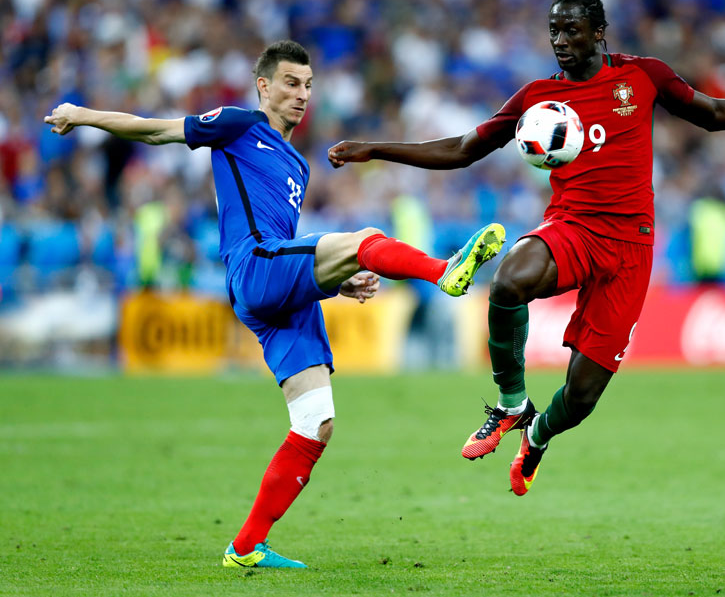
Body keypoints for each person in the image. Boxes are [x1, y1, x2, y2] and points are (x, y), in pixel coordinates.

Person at [328, 0, 725, 497]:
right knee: (509, 279)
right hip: (573, 228)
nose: (559, 40)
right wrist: (374, 148)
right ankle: (511, 404)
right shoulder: (538, 97)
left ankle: (537, 436)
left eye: (571, 30)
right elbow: (464, 148)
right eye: (553, 30)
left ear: (598, 33)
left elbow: (711, 114)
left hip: (631, 247)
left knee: (580, 397)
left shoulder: (642, 75)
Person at [44, 40, 505, 567]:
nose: (301, 95)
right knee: (364, 237)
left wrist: (339, 282)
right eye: (290, 83)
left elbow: (292, 242)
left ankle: (245, 548)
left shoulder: (299, 167)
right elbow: (154, 129)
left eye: (308, 85)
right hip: (254, 264)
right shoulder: (239, 124)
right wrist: (81, 116)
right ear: (263, 85)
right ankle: (444, 272)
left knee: (316, 422)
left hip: (279, 288)